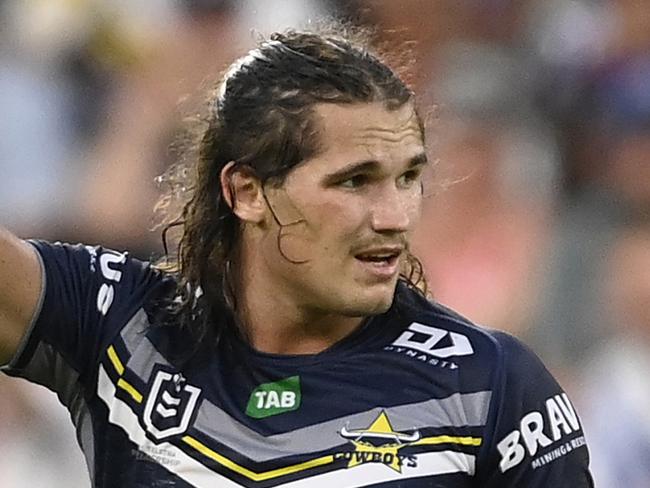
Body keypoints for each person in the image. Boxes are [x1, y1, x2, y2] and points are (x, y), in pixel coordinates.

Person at [0, 28, 593, 487]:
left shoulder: (489, 387)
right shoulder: (124, 326)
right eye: (355, 182)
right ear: (247, 192)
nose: (396, 216)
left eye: (408, 177)